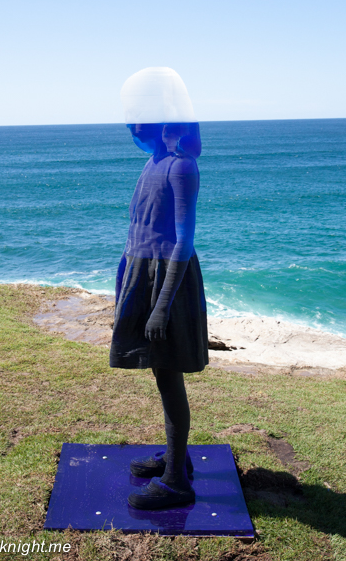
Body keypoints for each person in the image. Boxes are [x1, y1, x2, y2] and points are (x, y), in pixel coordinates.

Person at [109, 67, 208, 510]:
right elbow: (140, 226)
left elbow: (183, 241)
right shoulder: (153, 162)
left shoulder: (182, 167)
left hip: (166, 282)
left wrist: (161, 307)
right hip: (142, 275)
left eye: (139, 117)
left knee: (168, 376)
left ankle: (176, 481)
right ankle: (176, 458)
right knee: (158, 370)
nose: (132, 125)